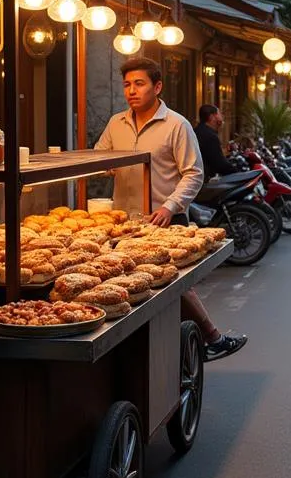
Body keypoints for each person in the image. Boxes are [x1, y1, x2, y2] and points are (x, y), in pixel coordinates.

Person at [95, 58, 247, 361]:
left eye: (139, 84)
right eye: (127, 84)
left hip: (166, 219)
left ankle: (209, 337)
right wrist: (106, 167)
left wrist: (170, 206)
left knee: (172, 283)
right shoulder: (116, 123)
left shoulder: (176, 125)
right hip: (127, 222)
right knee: (135, 285)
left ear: (157, 86)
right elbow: (100, 158)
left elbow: (194, 173)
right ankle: (156, 350)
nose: (132, 91)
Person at [195, 104, 241, 178]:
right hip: (204, 180)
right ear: (212, 117)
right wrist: (239, 173)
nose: (222, 117)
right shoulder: (209, 136)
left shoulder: (199, 131)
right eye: (219, 114)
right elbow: (219, 164)